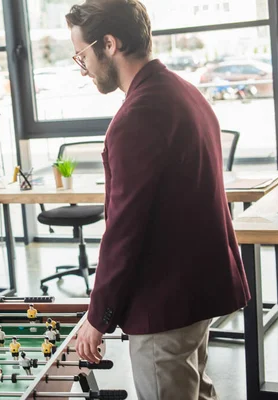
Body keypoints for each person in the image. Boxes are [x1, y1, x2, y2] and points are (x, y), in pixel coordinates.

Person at [66, 2, 250, 400]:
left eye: (81, 54)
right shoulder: (184, 92)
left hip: (165, 303)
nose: (82, 67)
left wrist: (98, 317)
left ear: (109, 44)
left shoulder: (137, 115)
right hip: (197, 292)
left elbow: (125, 231)